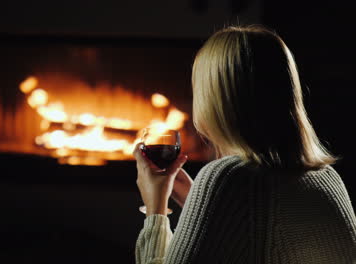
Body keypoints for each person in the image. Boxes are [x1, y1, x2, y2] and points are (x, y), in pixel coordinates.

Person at [133, 25, 356, 264]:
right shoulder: (328, 178)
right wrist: (199, 206)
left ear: (214, 101)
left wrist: (155, 208)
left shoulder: (225, 176)